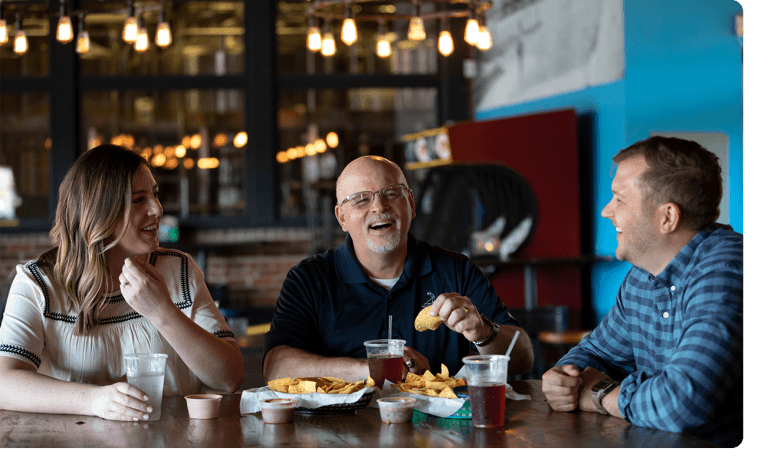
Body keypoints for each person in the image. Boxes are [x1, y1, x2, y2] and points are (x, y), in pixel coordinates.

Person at [0, 145, 244, 421]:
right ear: (99, 213)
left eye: (155, 194)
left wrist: (162, 312)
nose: (157, 209)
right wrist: (94, 400)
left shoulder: (179, 270)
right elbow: (4, 382)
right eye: (139, 200)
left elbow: (229, 378)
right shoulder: (37, 283)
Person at [541, 136, 743, 447]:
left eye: (619, 199)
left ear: (667, 217)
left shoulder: (727, 269)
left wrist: (599, 394)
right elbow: (596, 353)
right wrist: (566, 378)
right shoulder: (642, 277)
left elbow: (681, 404)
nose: (607, 212)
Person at [263, 155, 533, 383]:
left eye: (391, 193)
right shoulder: (309, 279)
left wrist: (484, 333)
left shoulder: (456, 271)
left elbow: (524, 358)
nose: (379, 207)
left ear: (411, 204)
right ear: (341, 217)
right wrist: (372, 369)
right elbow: (275, 367)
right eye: (361, 200)